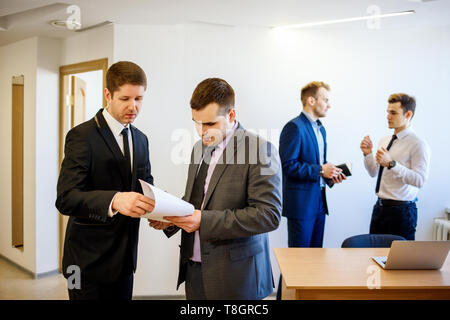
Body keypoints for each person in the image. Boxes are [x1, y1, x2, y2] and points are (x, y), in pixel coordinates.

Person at [149, 78, 282, 300]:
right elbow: (197, 201)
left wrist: (203, 221)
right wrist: (170, 217)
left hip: (237, 276)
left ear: (231, 115)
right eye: (196, 122)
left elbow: (268, 215)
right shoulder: (198, 148)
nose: (202, 132)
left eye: (210, 124)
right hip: (194, 269)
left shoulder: (261, 149)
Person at [55, 61, 155, 300]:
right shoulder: (81, 136)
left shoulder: (141, 139)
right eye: (125, 99)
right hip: (84, 263)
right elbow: (66, 198)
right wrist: (114, 200)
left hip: (124, 261)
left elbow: (146, 186)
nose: (133, 106)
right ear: (108, 95)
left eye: (139, 99)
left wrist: (160, 213)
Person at [279, 81, 345, 249]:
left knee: (315, 259)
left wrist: (331, 176)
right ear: (311, 100)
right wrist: (322, 169)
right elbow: (288, 166)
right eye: (325, 100)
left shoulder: (321, 129)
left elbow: (319, 166)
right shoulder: (294, 127)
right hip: (301, 206)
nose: (329, 105)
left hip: (320, 203)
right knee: (297, 261)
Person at [360, 93, 430, 240]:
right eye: (388, 112)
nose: (388, 116)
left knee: (400, 261)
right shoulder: (384, 140)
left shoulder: (418, 144)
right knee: (373, 255)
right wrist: (367, 154)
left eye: (393, 113)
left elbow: (420, 180)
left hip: (402, 212)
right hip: (379, 209)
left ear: (408, 114)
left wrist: (392, 164)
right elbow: (374, 172)